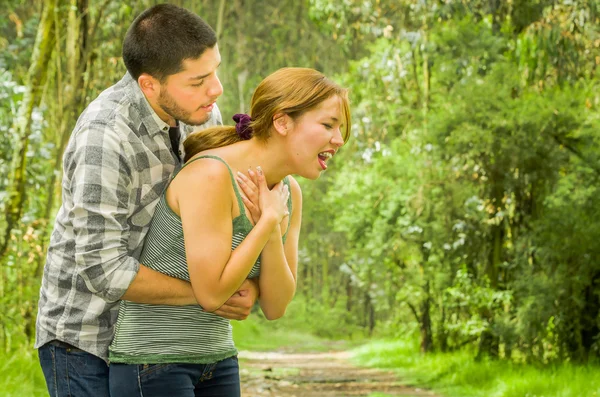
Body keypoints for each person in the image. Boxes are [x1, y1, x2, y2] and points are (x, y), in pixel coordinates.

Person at [35, 5, 260, 397]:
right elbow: (104, 270)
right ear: (149, 85)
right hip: (86, 340)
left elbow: (218, 220)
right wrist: (211, 295)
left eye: (215, 71)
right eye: (198, 80)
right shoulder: (103, 137)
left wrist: (244, 285)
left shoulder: (202, 114)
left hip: (159, 339)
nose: (216, 89)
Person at [107, 67, 351, 396]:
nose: (339, 140)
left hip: (218, 360)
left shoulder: (288, 193)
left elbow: (276, 307)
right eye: (328, 125)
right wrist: (265, 223)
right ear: (282, 122)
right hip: (153, 362)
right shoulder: (211, 174)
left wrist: (271, 225)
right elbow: (212, 294)